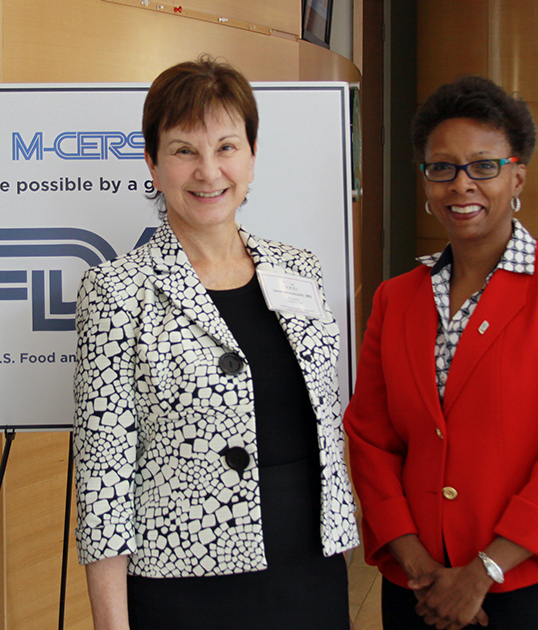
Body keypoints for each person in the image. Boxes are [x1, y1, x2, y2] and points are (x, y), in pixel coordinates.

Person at [73, 56, 359, 630]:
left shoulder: (298, 270)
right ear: (153, 163)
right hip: (183, 584)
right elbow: (102, 476)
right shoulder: (116, 290)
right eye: (184, 150)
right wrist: (110, 623)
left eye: (226, 147)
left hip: (309, 569)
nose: (209, 171)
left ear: (252, 156)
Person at [344, 75, 538, 630]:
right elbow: (371, 438)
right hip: (417, 585)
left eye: (483, 166)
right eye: (441, 167)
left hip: (537, 583)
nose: (460, 184)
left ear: (517, 174)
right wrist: (414, 559)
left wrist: (484, 570)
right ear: (425, 180)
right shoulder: (397, 298)